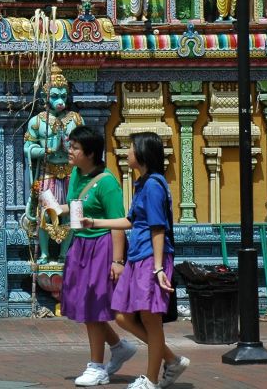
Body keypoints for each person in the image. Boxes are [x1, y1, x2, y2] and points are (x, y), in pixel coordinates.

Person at [81, 133, 189, 389]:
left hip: (150, 258)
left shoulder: (153, 185)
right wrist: (95, 222)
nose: (125, 152)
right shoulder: (143, 184)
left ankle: (151, 380)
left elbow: (157, 228)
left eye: (129, 148)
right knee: (122, 316)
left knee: (151, 320)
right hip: (138, 256)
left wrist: (159, 267)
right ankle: (171, 359)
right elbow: (131, 221)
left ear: (142, 153)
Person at [57, 126, 136, 387]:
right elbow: (79, 206)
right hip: (80, 245)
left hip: (101, 247)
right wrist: (59, 209)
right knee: (84, 303)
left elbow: (118, 223)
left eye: (75, 148)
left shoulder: (107, 183)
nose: (70, 151)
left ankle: (97, 366)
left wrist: (117, 260)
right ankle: (117, 346)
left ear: (90, 153)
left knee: (94, 306)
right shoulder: (77, 174)